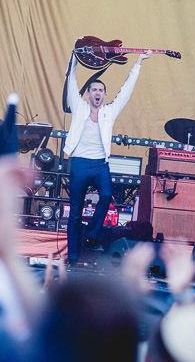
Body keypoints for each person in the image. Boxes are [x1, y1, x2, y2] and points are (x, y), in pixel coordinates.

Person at [63, 45, 152, 265]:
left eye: (100, 90)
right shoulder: (79, 107)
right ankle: (72, 257)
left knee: (106, 196)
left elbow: (126, 91)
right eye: (94, 90)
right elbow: (70, 80)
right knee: (75, 212)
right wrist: (74, 54)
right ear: (88, 94)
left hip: (100, 165)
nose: (97, 93)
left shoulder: (109, 111)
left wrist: (138, 62)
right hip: (79, 163)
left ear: (104, 95)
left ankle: (92, 235)